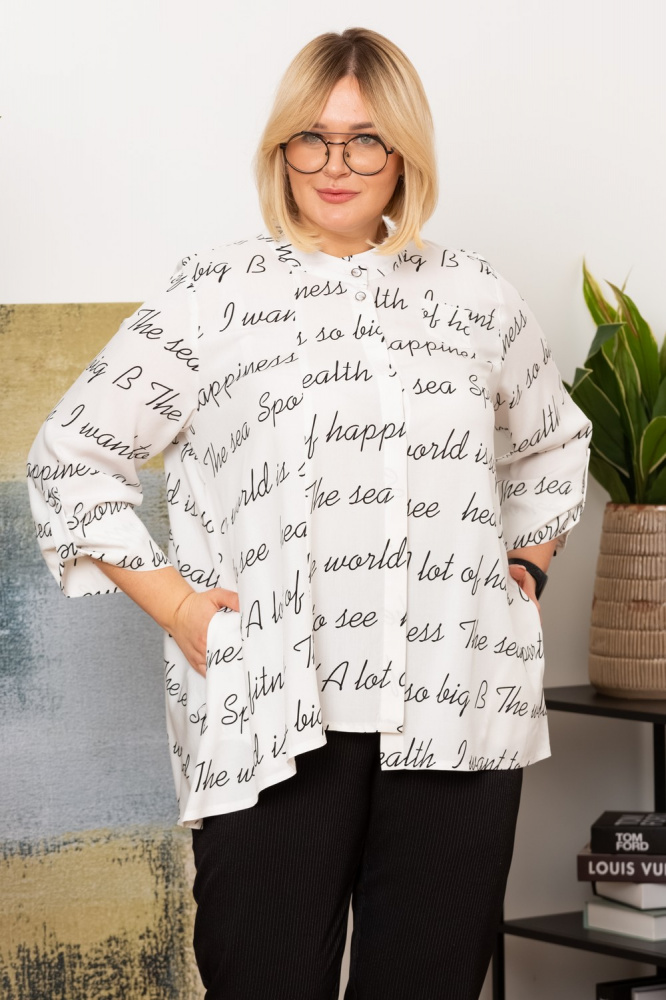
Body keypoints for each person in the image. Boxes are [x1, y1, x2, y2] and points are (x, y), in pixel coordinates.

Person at [27, 27, 591, 1000]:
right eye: (311, 138)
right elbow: (73, 452)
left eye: (365, 139)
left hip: (458, 703)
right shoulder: (211, 296)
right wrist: (181, 609)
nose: (336, 164)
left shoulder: (475, 296)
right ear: (280, 148)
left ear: (404, 153)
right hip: (273, 708)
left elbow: (553, 442)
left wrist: (526, 570)